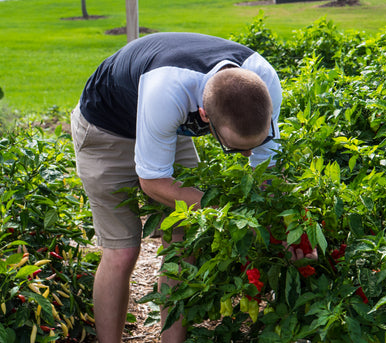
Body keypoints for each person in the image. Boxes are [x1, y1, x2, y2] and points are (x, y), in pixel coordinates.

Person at [70, 32, 282, 343]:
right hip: (106, 130)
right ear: (205, 116)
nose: (248, 155)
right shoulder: (166, 91)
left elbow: (268, 172)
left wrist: (278, 225)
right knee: (122, 250)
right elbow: (153, 183)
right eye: (235, 149)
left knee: (185, 242)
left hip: (167, 123)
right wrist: (230, 215)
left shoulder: (262, 80)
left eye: (255, 144)